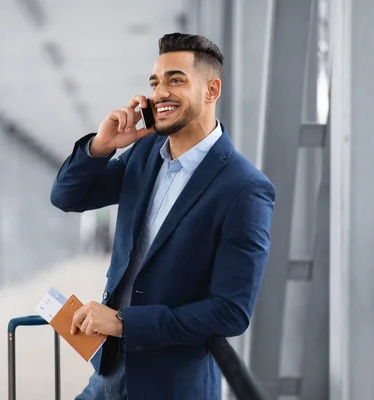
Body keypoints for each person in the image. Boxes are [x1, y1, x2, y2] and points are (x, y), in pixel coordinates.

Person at [50, 32, 276, 400]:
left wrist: (124, 323)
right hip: (107, 378)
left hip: (170, 387)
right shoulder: (143, 155)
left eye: (176, 80)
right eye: (155, 82)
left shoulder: (245, 188)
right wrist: (102, 146)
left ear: (211, 90)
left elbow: (230, 312)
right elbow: (66, 196)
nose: (160, 92)